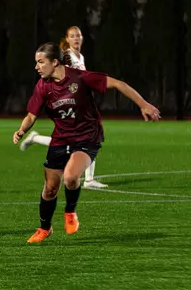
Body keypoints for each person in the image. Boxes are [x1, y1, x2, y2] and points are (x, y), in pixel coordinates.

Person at [13, 42, 160, 243]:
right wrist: (22, 130)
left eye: (40, 62)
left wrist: (143, 104)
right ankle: (45, 228)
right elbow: (31, 115)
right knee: (50, 189)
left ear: (55, 62)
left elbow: (118, 84)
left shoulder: (80, 78)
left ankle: (70, 212)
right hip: (61, 138)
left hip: (87, 137)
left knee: (71, 177)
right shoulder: (42, 86)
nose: (36, 67)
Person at [20, 26, 107, 189]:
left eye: (79, 36)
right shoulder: (66, 57)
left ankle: (35, 138)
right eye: (72, 36)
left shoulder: (80, 56)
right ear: (66, 39)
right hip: (66, 101)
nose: (76, 39)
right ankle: (88, 180)